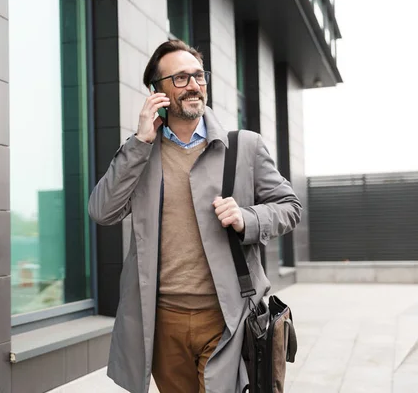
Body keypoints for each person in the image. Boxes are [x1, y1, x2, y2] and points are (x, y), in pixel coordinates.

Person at [88, 39, 302, 393]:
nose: (194, 85)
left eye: (198, 76)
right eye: (180, 78)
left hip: (228, 318)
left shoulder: (244, 146)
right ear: (157, 92)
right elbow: (102, 210)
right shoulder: (140, 153)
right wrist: (139, 143)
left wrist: (248, 218)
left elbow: (290, 206)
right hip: (162, 323)